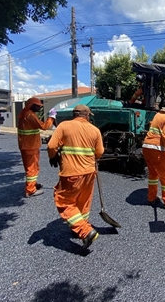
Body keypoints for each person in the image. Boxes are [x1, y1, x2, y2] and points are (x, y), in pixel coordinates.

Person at [47, 104, 104, 250]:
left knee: (64, 201)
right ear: (87, 115)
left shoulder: (64, 126)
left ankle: (85, 231)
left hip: (71, 173)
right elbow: (99, 152)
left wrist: (53, 157)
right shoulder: (95, 130)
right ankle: (80, 227)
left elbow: (51, 146)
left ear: (74, 114)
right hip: (89, 172)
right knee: (83, 201)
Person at [17, 97, 56, 197]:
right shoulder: (30, 115)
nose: (40, 108)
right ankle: (30, 190)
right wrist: (51, 117)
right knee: (32, 168)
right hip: (30, 146)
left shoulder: (25, 113)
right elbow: (44, 127)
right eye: (38, 106)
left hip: (27, 145)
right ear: (32, 105)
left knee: (32, 167)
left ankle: (32, 184)